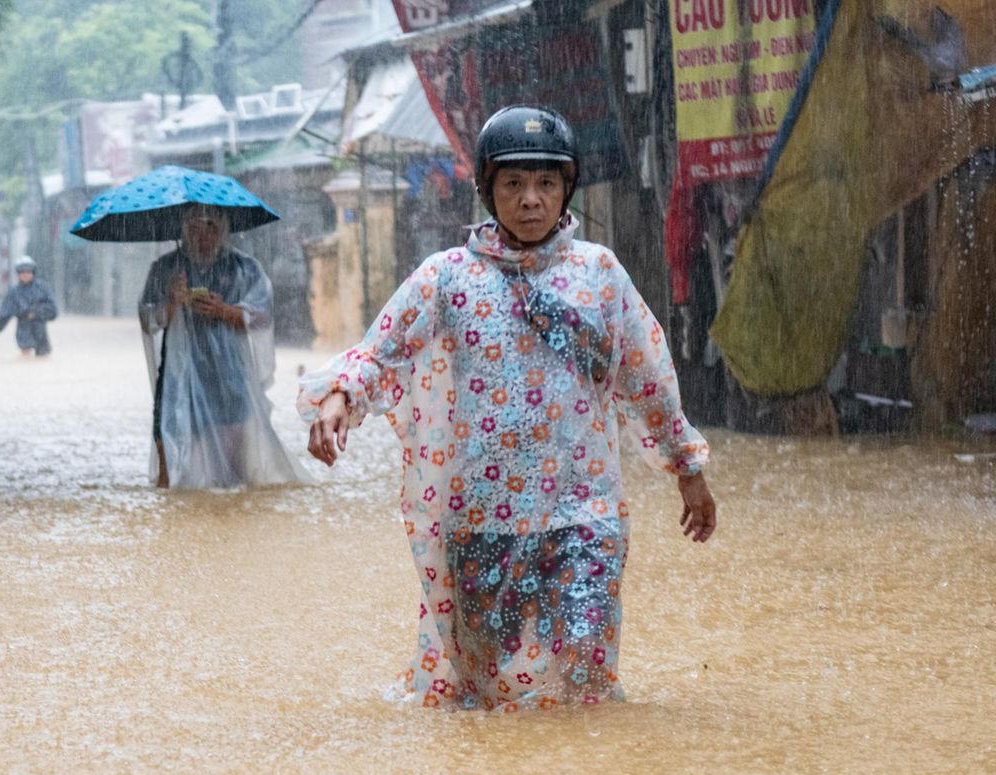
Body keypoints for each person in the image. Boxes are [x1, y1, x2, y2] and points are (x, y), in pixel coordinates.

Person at [297, 106, 717, 711]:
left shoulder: (600, 274)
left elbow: (648, 378)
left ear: (566, 189)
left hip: (585, 512)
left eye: (546, 183)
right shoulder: (447, 278)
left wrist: (689, 471)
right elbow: (380, 352)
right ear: (488, 189)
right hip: (484, 517)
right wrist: (338, 398)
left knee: (586, 678)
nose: (530, 200)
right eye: (513, 184)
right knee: (486, 696)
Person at [138, 204, 309, 489]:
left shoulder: (244, 268)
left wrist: (224, 311)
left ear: (223, 231)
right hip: (177, 376)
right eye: (194, 227)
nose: (202, 236)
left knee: (233, 476)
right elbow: (148, 321)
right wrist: (171, 301)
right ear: (183, 230)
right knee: (170, 456)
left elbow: (262, 316)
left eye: (210, 227)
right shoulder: (165, 269)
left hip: (228, 374)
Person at [0, 256, 58, 357]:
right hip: (23, 330)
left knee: (43, 356)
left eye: (28, 271)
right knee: (25, 355)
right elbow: (5, 311)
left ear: (33, 272)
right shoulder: (14, 292)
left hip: (40, 330)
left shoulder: (43, 288)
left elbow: (53, 310)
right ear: (18, 273)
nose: (25, 274)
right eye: (22, 272)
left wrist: (36, 313)